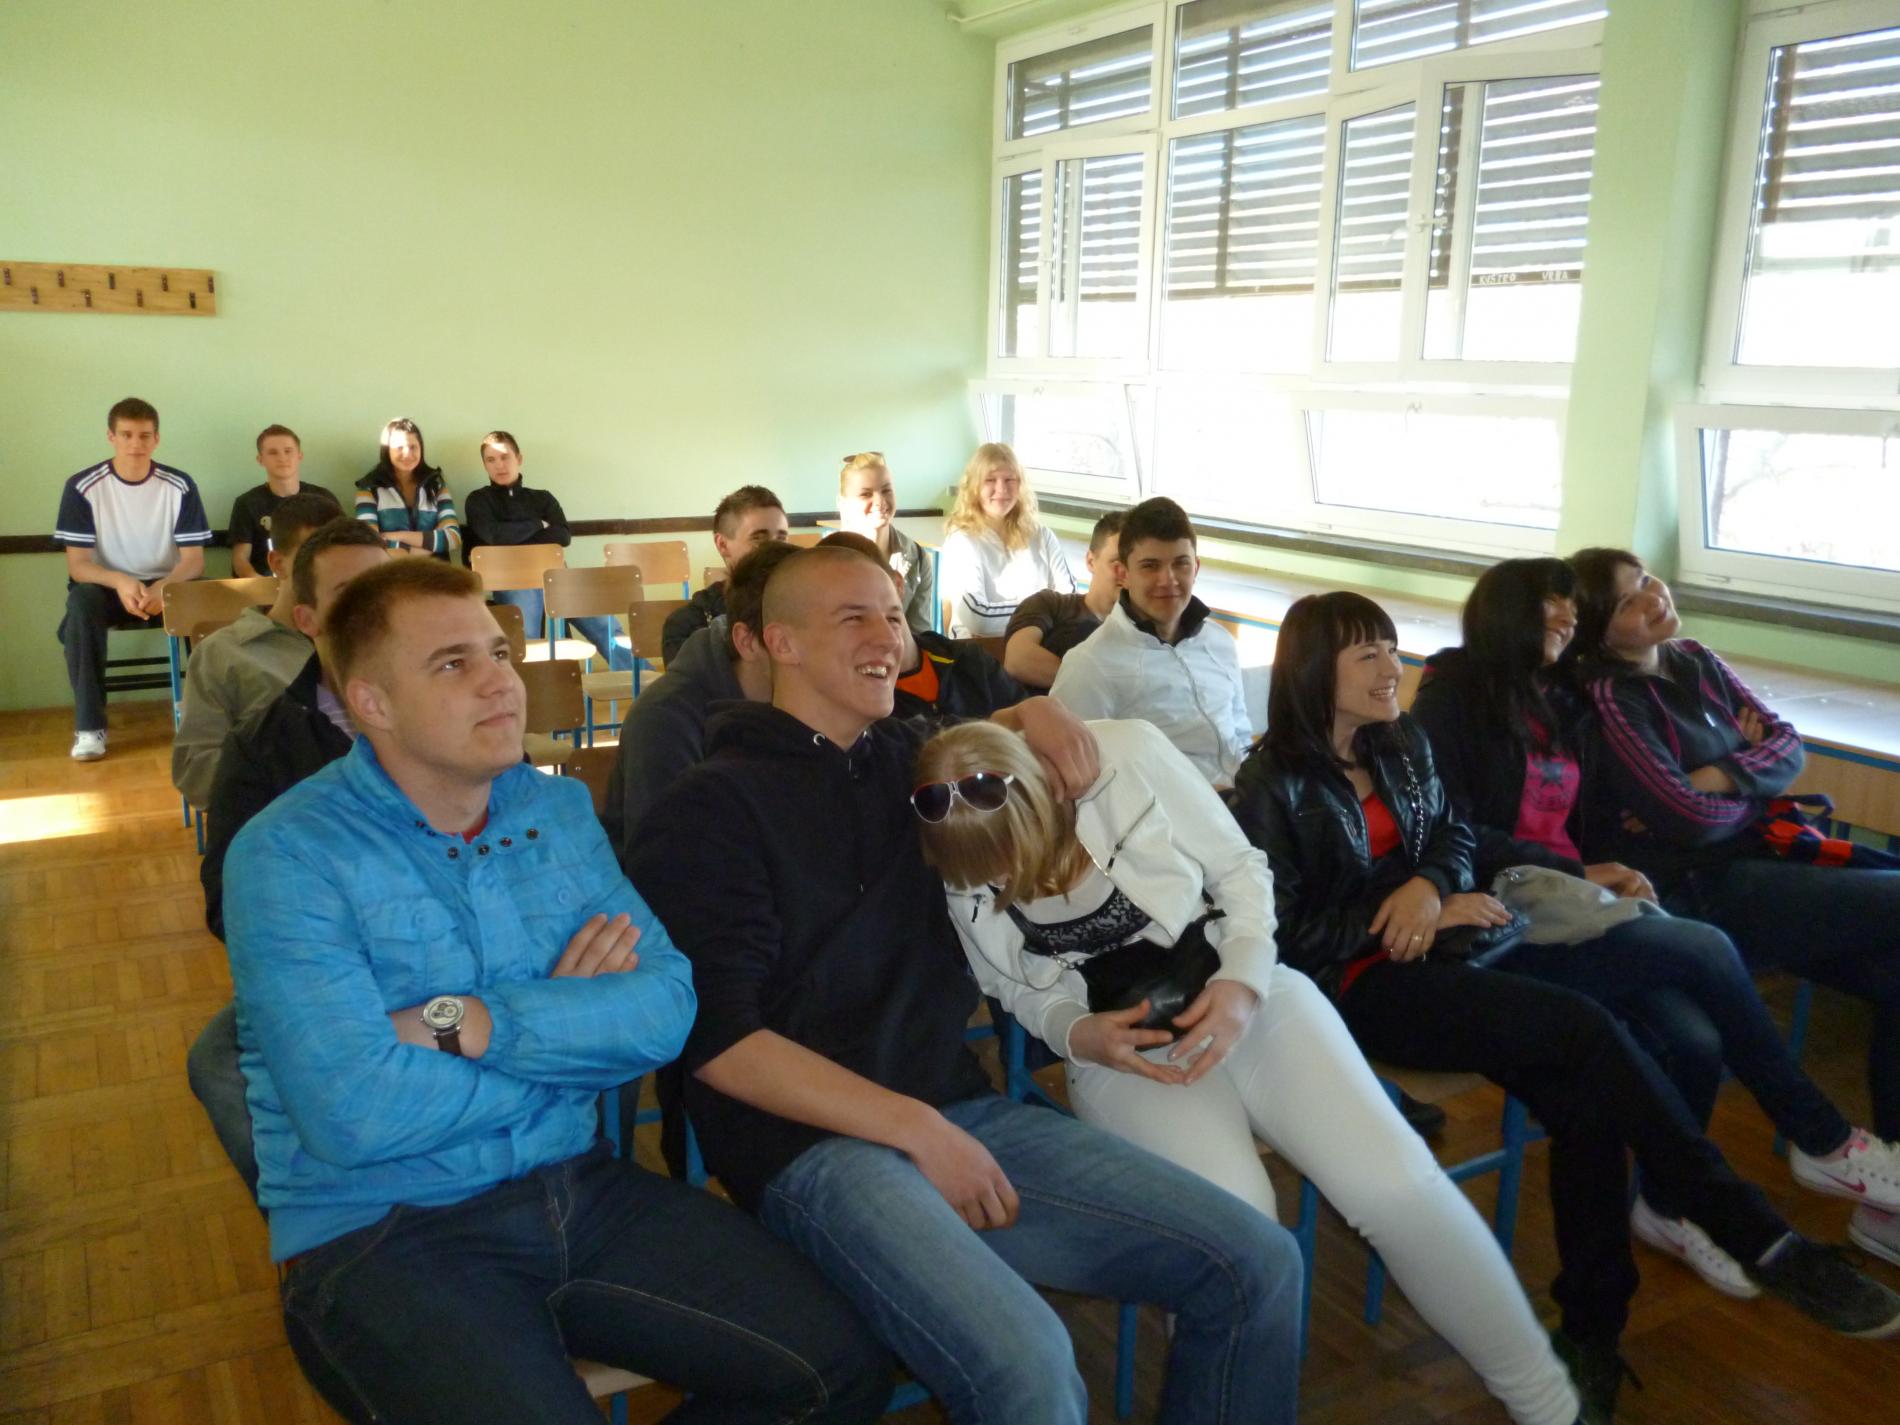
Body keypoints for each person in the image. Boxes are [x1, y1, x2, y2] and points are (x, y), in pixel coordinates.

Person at [626, 545, 1305, 1425]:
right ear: (779, 643)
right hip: (812, 1147)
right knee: (1030, 1363)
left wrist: (1037, 709)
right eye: (854, 618)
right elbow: (720, 1044)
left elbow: (997, 740)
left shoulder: (917, 768)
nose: (888, 637)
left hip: (956, 1110)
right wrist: (914, 1127)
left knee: (1256, 1261)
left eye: (893, 615)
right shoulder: (707, 808)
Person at [222, 557, 894, 1425]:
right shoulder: (288, 853)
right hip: (385, 1230)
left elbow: (668, 1007)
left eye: (499, 653)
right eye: (453, 663)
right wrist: (570, 1044)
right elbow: (353, 1113)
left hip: (576, 1183)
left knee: (838, 1367)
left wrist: (477, 1021)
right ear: (372, 703)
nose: (500, 682)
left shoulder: (555, 812)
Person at [1229, 591, 1900, 1421]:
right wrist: (1396, 915)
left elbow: (1453, 835)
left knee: (1589, 1101)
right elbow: (1283, 931)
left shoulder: (1399, 743)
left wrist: (1431, 887)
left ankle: (1592, 1331)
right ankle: (1751, 1226)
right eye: (1368, 653)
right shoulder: (1270, 783)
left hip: (1456, 946)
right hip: (1363, 986)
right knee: (1586, 1029)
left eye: (1392, 648)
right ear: (1312, 670)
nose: (1391, 666)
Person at [917, 717, 1582, 1425]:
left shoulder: (1126, 756)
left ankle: (1549, 1406)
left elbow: (1241, 869)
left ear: (1048, 794)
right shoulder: (956, 843)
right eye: (985, 874)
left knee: (1397, 1187)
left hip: (1243, 985)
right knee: (1237, 1235)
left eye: (1012, 857)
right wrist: (1077, 1032)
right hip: (1125, 1053)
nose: (1001, 880)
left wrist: (1240, 981)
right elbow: (1016, 987)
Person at [1414, 557, 1900, 1295]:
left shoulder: (1567, 696)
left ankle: (1671, 1206)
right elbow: (1454, 830)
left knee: (1697, 1039)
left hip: (1588, 895)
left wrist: (1716, 776)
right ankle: (1821, 1138)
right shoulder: (1454, 697)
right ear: (1506, 613)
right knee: (1703, 955)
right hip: (1513, 907)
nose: (1565, 619)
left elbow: (1772, 751)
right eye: (1552, 607)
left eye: (1571, 609)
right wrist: (1588, 861)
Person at [1566, 546, 1900, 1269]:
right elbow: (1686, 821)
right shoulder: (1610, 697)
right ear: (1596, 630)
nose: (1652, 598)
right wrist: (1732, 789)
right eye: (1627, 601)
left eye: (1646, 580)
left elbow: (1788, 746)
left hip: (1768, 860)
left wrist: (1710, 777)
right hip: (1701, 891)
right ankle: (1838, 1165)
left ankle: (1885, 1207)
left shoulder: (1695, 659)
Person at [188, 517, 391, 1192]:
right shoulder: (265, 744)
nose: (377, 607)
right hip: (336, 968)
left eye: (387, 587)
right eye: (351, 593)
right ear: (308, 619)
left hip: (469, 949)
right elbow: (230, 903)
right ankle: (325, 1217)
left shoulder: (455, 708)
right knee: (219, 1063)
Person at [602, 539, 798, 854]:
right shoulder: (665, 720)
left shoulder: (809, 703)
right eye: (791, 638)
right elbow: (669, 862)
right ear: (748, 642)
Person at [1049, 497, 1250, 788]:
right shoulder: (1090, 664)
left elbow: (1241, 735)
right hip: (1168, 811)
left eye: (1180, 564)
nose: (1168, 580)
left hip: (1243, 800)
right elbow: (1077, 779)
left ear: (1195, 568)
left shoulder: (1219, 642)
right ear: (1123, 574)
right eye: (1150, 566)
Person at [53, 397, 212, 762]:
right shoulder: (81, 486)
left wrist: (162, 587)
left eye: (144, 435)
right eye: (126, 435)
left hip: (168, 585)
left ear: (157, 439)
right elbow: (78, 566)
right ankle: (89, 727)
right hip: (108, 589)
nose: (135, 444)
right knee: (81, 603)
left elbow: (193, 561)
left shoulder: (180, 484)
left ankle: (207, 713)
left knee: (211, 596)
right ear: (111, 437)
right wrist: (122, 582)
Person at [172, 490, 342, 810]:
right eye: (312, 556)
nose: (330, 572)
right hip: (285, 818)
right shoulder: (225, 653)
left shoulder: (371, 644)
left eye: (340, 560)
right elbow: (197, 773)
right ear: (277, 563)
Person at [820, 532, 1026, 721]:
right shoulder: (850, 697)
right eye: (853, 617)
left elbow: (1029, 723)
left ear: (898, 584)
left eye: (873, 589)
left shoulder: (969, 663)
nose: (885, 636)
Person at [459, 430, 621, 665]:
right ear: (485, 465)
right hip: (512, 581)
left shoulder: (542, 498)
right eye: (491, 460)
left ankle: (647, 680)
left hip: (557, 578)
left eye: (505, 457)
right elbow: (494, 536)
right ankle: (531, 686)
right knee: (529, 636)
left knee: (605, 624)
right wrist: (537, 524)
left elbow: (562, 536)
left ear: (519, 458)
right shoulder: (478, 500)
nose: (499, 465)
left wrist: (513, 539)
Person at [938, 443, 1074, 638]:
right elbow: (977, 619)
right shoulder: (962, 541)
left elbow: (1071, 605)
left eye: (1010, 479)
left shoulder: (1043, 537)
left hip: (1038, 648)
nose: (1001, 489)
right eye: (990, 480)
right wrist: (1045, 612)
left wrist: (1039, 616)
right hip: (980, 653)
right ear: (974, 487)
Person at [661, 484, 790, 662]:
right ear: (722, 545)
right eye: (759, 539)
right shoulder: (688, 624)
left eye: (781, 538)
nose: (775, 549)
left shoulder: (805, 608)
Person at [1003, 509, 1124, 689]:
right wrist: (1105, 689)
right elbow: (1019, 660)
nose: (1126, 573)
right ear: (1091, 561)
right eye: (1117, 563)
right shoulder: (1050, 604)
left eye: (1136, 564)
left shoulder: (1144, 628)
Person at [837, 451, 934, 629]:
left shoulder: (918, 558)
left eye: (886, 491)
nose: (880, 501)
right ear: (843, 504)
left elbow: (920, 633)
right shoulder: (827, 561)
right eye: (866, 494)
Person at [227, 425, 338, 577]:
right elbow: (240, 560)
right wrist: (260, 585)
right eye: (273, 452)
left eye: (288, 451)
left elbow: (341, 548)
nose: (282, 458)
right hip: (266, 584)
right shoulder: (246, 503)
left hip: (318, 582)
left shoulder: (324, 499)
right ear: (260, 460)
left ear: (299, 456)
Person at [353, 417, 460, 561]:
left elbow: (453, 538)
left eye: (413, 447)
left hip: (436, 570)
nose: (407, 454)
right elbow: (370, 542)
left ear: (421, 449)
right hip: (390, 570)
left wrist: (397, 536)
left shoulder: (436, 485)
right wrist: (422, 550)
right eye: (399, 447)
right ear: (387, 450)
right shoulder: (368, 489)